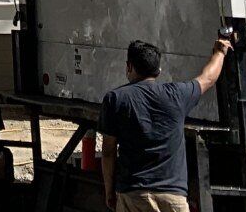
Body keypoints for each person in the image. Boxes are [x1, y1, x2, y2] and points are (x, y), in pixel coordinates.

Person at [100, 33, 234, 212]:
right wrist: (220, 52)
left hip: (133, 194)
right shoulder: (177, 95)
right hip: (173, 196)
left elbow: (108, 152)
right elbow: (208, 78)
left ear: (129, 67)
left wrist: (109, 191)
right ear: (159, 70)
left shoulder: (116, 99)